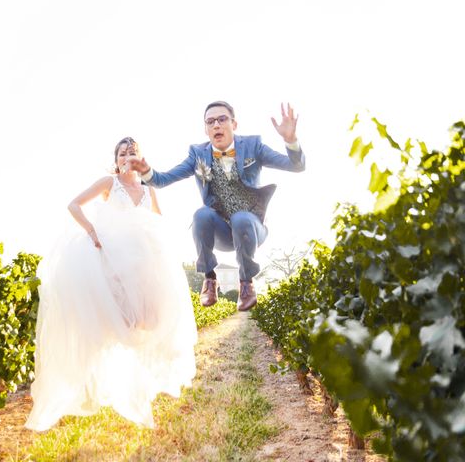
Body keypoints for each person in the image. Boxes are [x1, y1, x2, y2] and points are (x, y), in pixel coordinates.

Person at [25, 137, 197, 432]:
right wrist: (92, 231)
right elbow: (73, 205)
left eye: (133, 151)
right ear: (116, 159)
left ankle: (139, 378)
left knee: (151, 322)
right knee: (110, 325)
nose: (127, 155)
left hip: (142, 263)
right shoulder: (109, 182)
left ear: (140, 158)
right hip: (113, 258)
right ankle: (92, 366)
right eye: (122, 152)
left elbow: (158, 221)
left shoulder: (148, 188)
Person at [128, 102, 305, 311]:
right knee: (201, 215)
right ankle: (210, 278)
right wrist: (146, 170)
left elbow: (296, 166)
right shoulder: (197, 154)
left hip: (251, 227)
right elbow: (161, 180)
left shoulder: (253, 146)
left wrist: (290, 140)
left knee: (241, 218)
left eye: (222, 119)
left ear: (234, 124)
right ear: (205, 129)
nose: (216, 125)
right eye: (210, 122)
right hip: (221, 231)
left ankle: (246, 282)